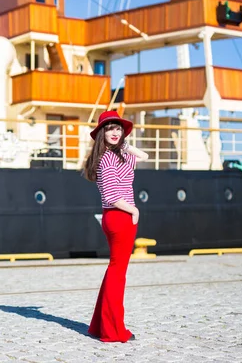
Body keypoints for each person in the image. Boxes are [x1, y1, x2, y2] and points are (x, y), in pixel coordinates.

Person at [83, 110, 149, 343]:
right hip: (120, 215)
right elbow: (111, 195)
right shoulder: (107, 159)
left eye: (118, 128)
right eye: (110, 128)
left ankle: (99, 326)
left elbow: (144, 155)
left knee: (115, 270)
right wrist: (134, 210)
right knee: (117, 273)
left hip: (118, 217)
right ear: (102, 132)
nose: (115, 132)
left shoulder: (118, 155)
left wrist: (125, 145)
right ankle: (113, 331)